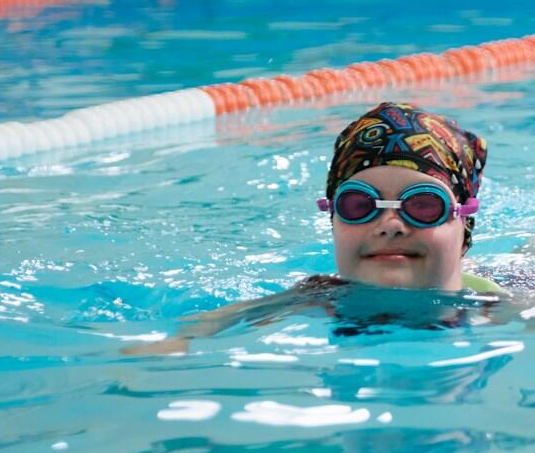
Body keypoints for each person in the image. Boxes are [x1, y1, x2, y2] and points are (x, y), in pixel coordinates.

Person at [124, 101, 501, 355]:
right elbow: (203, 329)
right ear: (333, 219)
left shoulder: (499, 307)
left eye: (422, 205)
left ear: (464, 223)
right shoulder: (317, 295)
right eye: (360, 205)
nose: (390, 225)